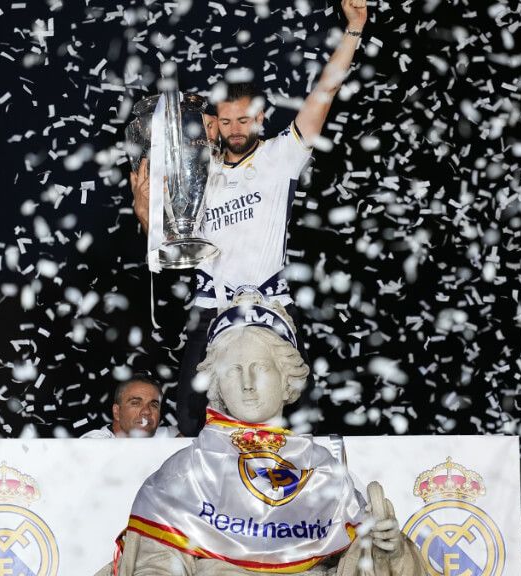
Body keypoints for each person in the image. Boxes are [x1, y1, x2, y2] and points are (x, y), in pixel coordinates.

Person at [130, 0, 369, 436]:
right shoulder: (198, 172)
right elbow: (173, 248)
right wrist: (146, 216)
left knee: (295, 419)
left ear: (260, 117)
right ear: (215, 124)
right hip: (210, 307)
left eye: (244, 118)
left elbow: (325, 92)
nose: (236, 128)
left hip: (269, 303)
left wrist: (353, 30)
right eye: (226, 121)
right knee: (190, 419)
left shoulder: (281, 157)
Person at [98, 290, 425, 575]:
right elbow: (155, 566)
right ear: (218, 385)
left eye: (261, 368)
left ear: (287, 380)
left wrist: (390, 553)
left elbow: (356, 566)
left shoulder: (324, 470)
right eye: (233, 371)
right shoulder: (187, 471)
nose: (247, 384)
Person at [80, 376, 179, 438]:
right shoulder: (95, 442)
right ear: (117, 412)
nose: (146, 411)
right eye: (135, 403)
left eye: (153, 405)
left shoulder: (168, 435)